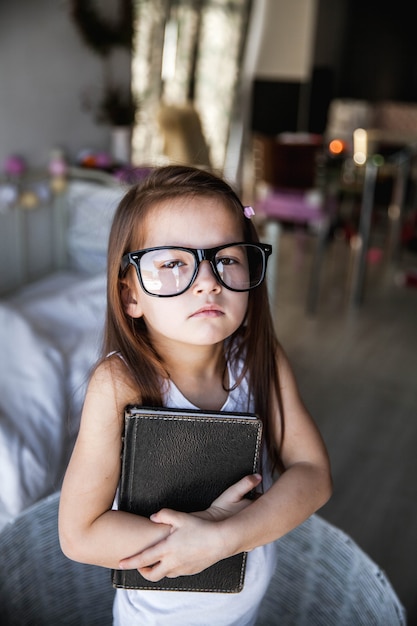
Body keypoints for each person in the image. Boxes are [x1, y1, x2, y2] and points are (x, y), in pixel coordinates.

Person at [58, 165, 332, 625]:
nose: (208, 280)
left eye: (226, 258)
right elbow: (80, 534)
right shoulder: (119, 384)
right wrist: (195, 541)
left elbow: (314, 475)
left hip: (245, 608)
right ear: (131, 295)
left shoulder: (257, 359)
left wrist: (224, 538)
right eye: (172, 262)